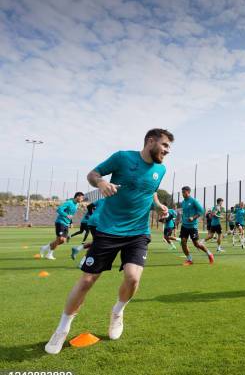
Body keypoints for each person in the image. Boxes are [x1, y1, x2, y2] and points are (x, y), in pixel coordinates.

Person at [45, 128, 173, 355]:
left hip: (138, 232)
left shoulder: (160, 169)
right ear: (150, 141)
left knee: (133, 278)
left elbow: (151, 194)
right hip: (108, 229)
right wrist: (102, 184)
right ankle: (62, 329)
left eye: (168, 148)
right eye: (164, 146)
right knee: (86, 280)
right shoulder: (122, 157)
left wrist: (159, 206)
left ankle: (117, 312)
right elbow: (92, 175)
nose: (167, 151)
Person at [40, 192, 85, 260]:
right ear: (77, 197)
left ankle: (45, 247)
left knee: (63, 241)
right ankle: (49, 254)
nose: (82, 199)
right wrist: (66, 215)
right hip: (60, 222)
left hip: (66, 224)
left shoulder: (77, 204)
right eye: (82, 198)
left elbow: (70, 214)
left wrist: (70, 222)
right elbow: (59, 209)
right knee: (59, 239)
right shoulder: (69, 202)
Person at [180, 186, 213, 265]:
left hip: (192, 226)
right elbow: (184, 213)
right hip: (184, 226)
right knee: (183, 242)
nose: (182, 194)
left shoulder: (193, 201)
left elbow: (201, 211)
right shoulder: (183, 202)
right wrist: (181, 219)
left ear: (188, 192)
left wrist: (193, 217)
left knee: (196, 244)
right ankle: (189, 259)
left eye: (184, 192)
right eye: (182, 192)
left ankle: (209, 254)